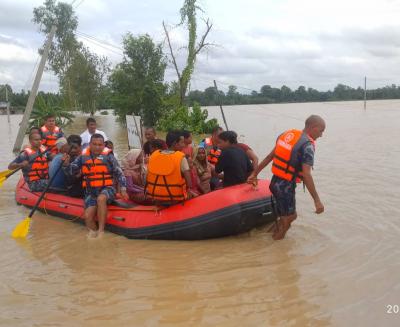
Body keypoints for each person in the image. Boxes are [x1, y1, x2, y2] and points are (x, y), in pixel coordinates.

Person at [247, 115, 326, 240]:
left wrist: (254, 174)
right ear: (313, 127)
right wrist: (317, 200)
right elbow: (306, 174)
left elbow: (269, 157)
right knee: (290, 217)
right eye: (321, 131)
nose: (321, 135)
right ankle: (275, 245)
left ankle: (269, 236)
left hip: (275, 183)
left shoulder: (287, 135)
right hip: (285, 186)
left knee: (284, 217)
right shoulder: (307, 146)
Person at [63, 134, 128, 238]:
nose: (97, 147)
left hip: (107, 188)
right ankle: (94, 235)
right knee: (88, 217)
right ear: (90, 144)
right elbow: (71, 172)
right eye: (94, 144)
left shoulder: (109, 156)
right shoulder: (82, 156)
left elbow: (119, 173)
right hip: (90, 191)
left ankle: (101, 231)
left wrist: (123, 189)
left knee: (101, 199)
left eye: (100, 144)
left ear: (103, 145)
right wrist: (66, 165)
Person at [145, 131, 197, 204]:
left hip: (155, 197)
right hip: (175, 199)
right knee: (195, 196)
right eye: (182, 142)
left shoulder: (153, 156)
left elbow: (146, 177)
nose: (183, 145)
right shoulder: (181, 157)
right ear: (175, 143)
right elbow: (189, 183)